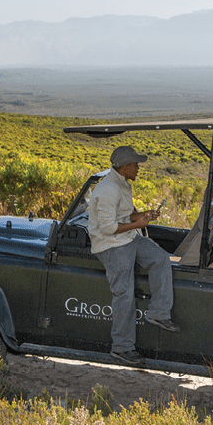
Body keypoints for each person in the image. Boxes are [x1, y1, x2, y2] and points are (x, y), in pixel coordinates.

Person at [87, 145, 178, 360]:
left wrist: (141, 216)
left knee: (160, 258)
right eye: (135, 165)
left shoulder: (123, 184)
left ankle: (158, 313)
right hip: (111, 245)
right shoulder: (108, 190)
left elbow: (123, 217)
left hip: (127, 238)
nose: (138, 168)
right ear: (125, 167)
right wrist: (137, 223)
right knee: (124, 294)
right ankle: (122, 347)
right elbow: (108, 228)